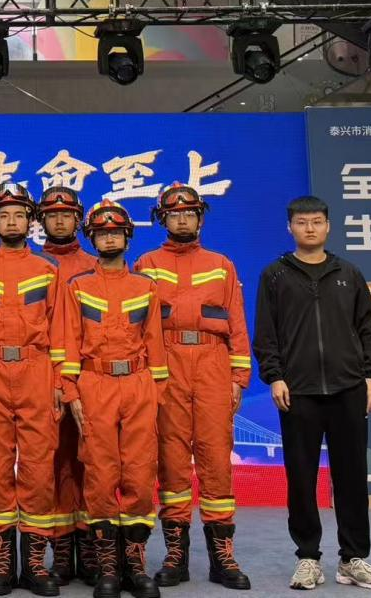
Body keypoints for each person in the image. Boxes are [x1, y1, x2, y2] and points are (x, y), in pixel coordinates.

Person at [253, 196, 371, 592]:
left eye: (316, 221)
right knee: (301, 478)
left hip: (349, 388)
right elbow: (266, 332)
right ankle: (308, 557)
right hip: (297, 392)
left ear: (328, 226)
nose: (310, 228)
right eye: (302, 222)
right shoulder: (275, 275)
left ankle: (353, 559)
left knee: (352, 477)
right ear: (290, 228)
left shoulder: (348, 273)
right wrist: (275, 377)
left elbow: (368, 328)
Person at [134, 185, 251, 591]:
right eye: (174, 213)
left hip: (213, 364)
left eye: (189, 213)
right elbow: (138, 326)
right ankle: (176, 556)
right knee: (170, 459)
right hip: (165, 363)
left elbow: (237, 321)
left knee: (216, 458)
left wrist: (238, 377)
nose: (182, 219)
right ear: (162, 219)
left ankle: (223, 557)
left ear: (200, 218)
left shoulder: (222, 265)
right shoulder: (146, 264)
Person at [0, 182, 68, 598]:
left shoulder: (47, 269)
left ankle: (34, 563)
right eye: (3, 215)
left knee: (38, 468)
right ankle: (4, 562)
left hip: (36, 369)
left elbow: (60, 330)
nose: (11, 221)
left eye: (19, 215)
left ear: (30, 221)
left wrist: (59, 382)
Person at [59, 200, 168, 598]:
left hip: (138, 383)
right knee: (101, 474)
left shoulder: (146, 287)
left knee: (139, 473)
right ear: (92, 238)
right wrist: (71, 390)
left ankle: (135, 566)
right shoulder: (78, 287)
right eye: (102, 233)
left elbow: (155, 342)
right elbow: (69, 341)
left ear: (127, 237)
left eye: (115, 232)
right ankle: (108, 566)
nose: (109, 238)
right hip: (95, 384)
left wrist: (156, 392)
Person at [36, 186, 98, 586]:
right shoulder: (31, 264)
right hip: (41, 375)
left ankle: (89, 546)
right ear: (41, 220)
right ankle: (60, 547)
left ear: (79, 219)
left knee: (90, 459)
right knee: (54, 460)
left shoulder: (95, 265)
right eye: (52, 215)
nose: (59, 221)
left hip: (90, 377)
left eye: (67, 214)